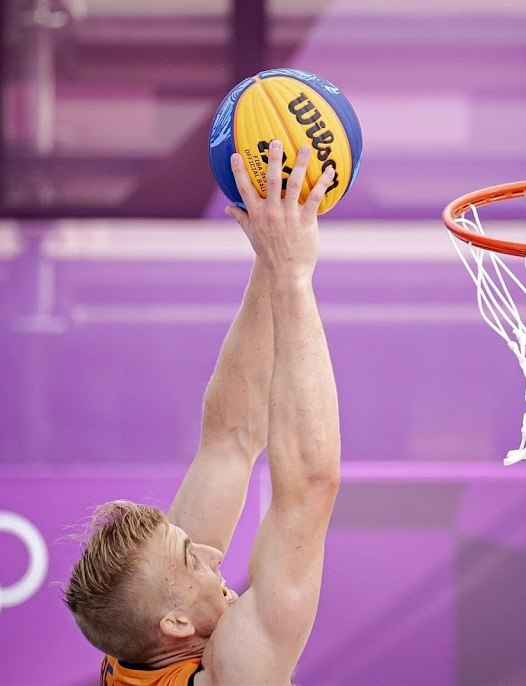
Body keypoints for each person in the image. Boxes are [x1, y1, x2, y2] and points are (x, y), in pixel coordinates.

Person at [64, 140, 342, 686]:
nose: (213, 553)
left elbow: (231, 436)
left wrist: (271, 254)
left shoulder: (138, 647)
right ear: (175, 623)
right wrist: (292, 276)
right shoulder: (235, 674)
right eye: (192, 557)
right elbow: (310, 486)